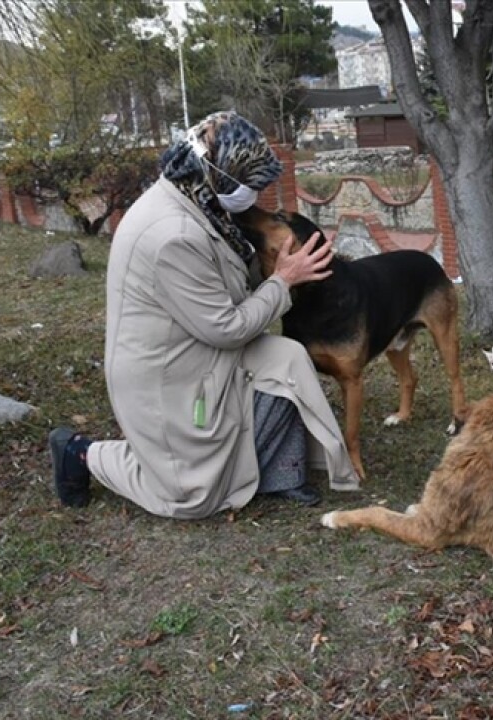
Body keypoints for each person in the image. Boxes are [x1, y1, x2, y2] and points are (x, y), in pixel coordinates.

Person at [48, 111, 361, 518]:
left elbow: (224, 286)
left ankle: (282, 474)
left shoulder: (198, 198)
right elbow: (227, 329)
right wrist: (283, 281)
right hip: (166, 374)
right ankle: (82, 453)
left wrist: (280, 264)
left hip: (197, 348)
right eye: (251, 185)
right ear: (220, 175)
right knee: (192, 498)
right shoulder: (172, 236)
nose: (256, 196)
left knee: (287, 360)